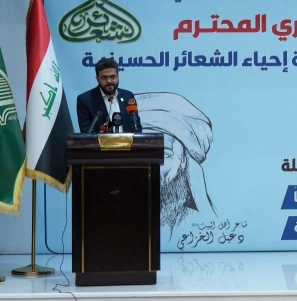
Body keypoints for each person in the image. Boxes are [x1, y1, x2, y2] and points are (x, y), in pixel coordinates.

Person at [135, 92, 216, 241]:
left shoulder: (195, 222)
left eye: (164, 154)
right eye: (141, 153)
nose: (150, 164)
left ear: (184, 160)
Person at [76, 57, 142, 133]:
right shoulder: (85, 100)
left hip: (128, 141)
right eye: (104, 77)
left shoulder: (128, 96)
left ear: (118, 76)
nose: (109, 81)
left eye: (113, 77)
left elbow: (137, 126)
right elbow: (86, 133)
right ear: (97, 79)